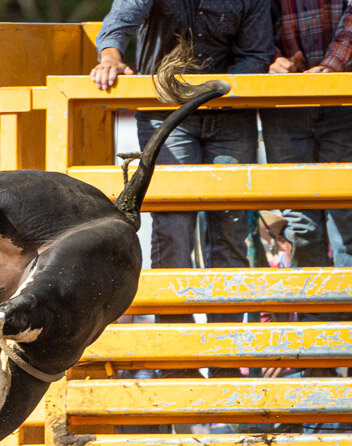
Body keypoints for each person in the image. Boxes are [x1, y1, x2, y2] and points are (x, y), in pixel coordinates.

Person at [91, 0, 272, 304]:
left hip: (229, 113)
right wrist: (111, 56)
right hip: (167, 112)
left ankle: (226, 334)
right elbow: (122, 17)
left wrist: (212, 92)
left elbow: (256, 55)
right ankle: (172, 328)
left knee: (231, 223)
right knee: (173, 225)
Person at [260, 0, 352, 321]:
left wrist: (332, 65)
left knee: (347, 224)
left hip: (343, 95)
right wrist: (273, 60)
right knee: (302, 227)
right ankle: (317, 349)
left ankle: (343, 348)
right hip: (284, 101)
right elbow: (250, 19)